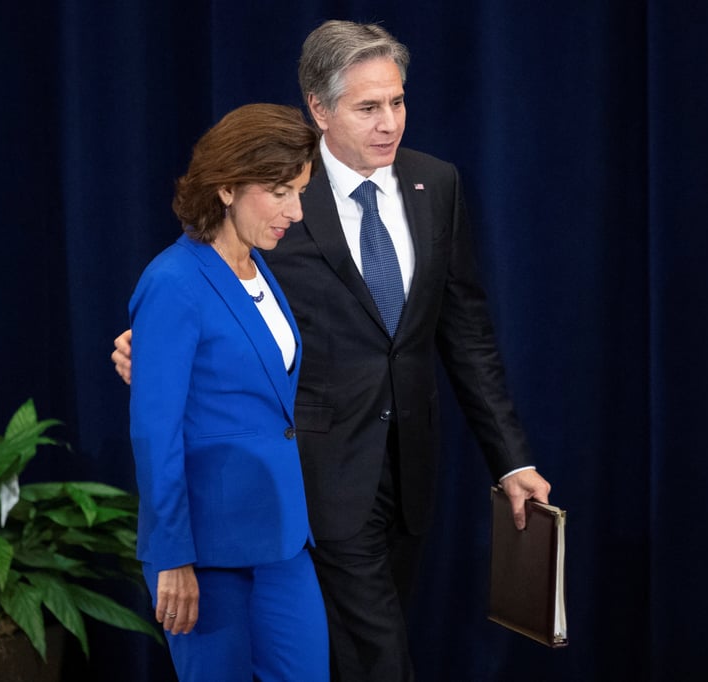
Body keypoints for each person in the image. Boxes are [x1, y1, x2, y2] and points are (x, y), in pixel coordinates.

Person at [114, 20, 552, 682]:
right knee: (377, 657)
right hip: (313, 478)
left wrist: (512, 461)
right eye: (369, 106)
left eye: (398, 102)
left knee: (352, 653)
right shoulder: (274, 191)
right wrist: (148, 355)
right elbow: (201, 305)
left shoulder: (437, 185)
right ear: (319, 108)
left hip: (402, 475)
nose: (389, 122)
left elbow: (465, 334)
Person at [128, 103, 326, 681]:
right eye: (281, 192)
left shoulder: (260, 269)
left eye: (300, 192)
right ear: (226, 188)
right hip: (206, 551)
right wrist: (173, 556)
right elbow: (154, 432)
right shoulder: (172, 281)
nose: (295, 211)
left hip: (282, 539)